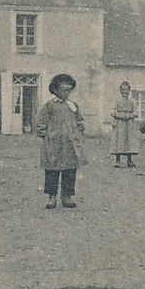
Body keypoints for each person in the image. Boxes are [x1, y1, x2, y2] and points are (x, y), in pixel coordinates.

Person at [36, 73, 85, 210]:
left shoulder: (73, 105)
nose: (67, 93)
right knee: (52, 170)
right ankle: (51, 197)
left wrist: (79, 134)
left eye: (69, 90)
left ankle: (67, 196)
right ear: (55, 90)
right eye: (64, 90)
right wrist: (46, 136)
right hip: (54, 143)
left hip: (70, 144)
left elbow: (79, 121)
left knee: (69, 170)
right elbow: (41, 123)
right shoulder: (50, 106)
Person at [110, 81, 140, 169]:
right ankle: (117, 160)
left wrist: (131, 115)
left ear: (129, 90)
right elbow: (113, 111)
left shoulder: (132, 101)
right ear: (120, 90)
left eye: (127, 90)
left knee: (129, 141)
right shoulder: (117, 101)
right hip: (120, 123)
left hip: (129, 123)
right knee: (119, 140)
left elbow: (136, 111)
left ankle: (129, 160)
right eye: (123, 90)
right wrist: (120, 115)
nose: (125, 92)